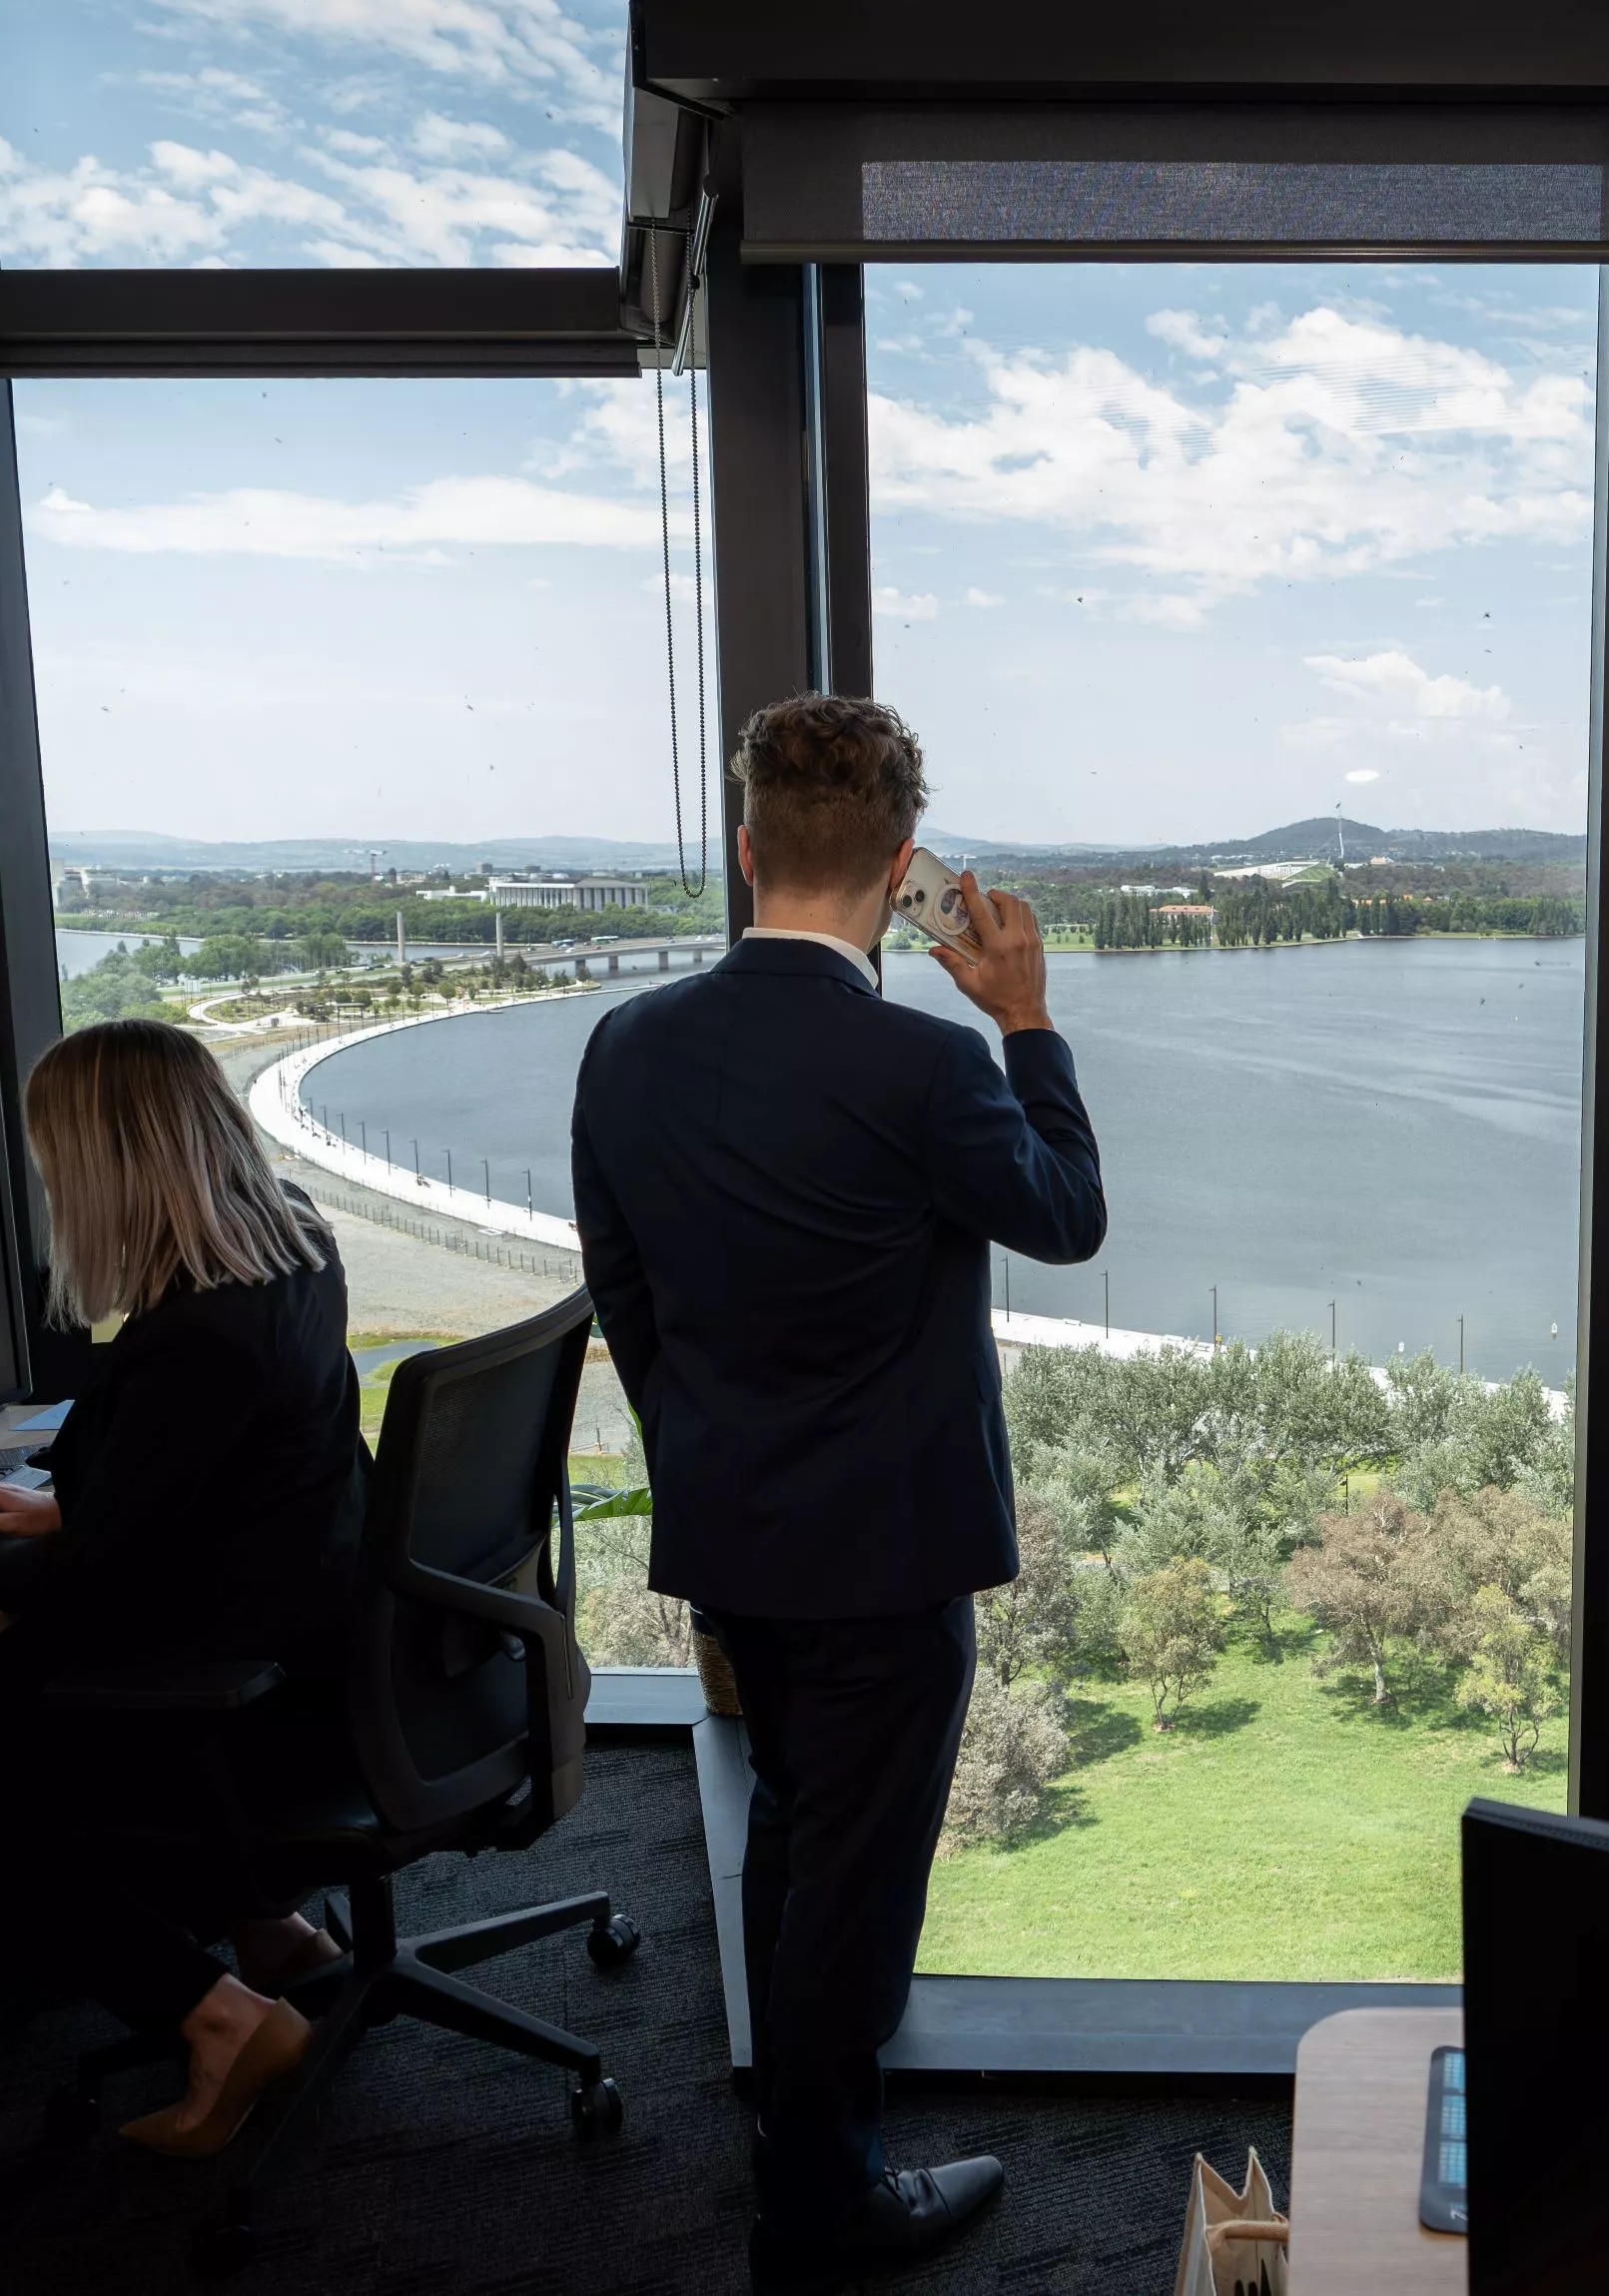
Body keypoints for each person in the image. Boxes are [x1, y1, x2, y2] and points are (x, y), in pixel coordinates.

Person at [570, 693, 1106, 2287]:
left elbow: (625, 1292)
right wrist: (1026, 1019)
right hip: (889, 1559)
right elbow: (1068, 1214)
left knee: (792, 1824)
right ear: (898, 870)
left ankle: (789, 2123)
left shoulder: (628, 1043)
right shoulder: (929, 1065)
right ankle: (823, 2202)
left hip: (734, 1533)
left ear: (748, 849)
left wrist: (710, 1447)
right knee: (856, 1888)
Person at [0, 1018, 368, 2155]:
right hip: (314, 1644)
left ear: (102, 1165)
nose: (45, 1185)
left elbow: (95, 1592)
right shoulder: (291, 1244)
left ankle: (219, 2017)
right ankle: (270, 1931)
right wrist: (72, 1506)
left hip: (245, 1693)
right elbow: (222, 1487)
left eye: (52, 1162)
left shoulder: (194, 1339)